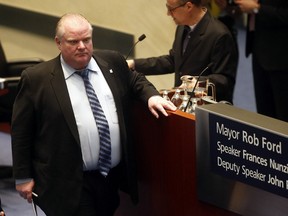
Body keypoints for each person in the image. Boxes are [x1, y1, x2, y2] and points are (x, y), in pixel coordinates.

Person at [11, 13, 176, 216]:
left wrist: (151, 96)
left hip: (109, 178)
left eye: (86, 40)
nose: (82, 46)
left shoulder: (111, 61)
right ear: (58, 43)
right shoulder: (37, 79)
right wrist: (22, 176)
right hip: (68, 181)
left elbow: (134, 79)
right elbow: (21, 131)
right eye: (73, 41)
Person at [127, 0, 238, 103]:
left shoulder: (220, 34)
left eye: (171, 9)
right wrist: (134, 64)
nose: (168, 14)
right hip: (183, 103)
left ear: (188, 6)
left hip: (207, 109)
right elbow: (173, 61)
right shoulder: (182, 26)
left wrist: (199, 82)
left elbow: (225, 80)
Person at [234, 0, 288, 121]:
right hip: (259, 50)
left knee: (283, 118)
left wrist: (257, 9)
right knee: (264, 118)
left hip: (281, 58)